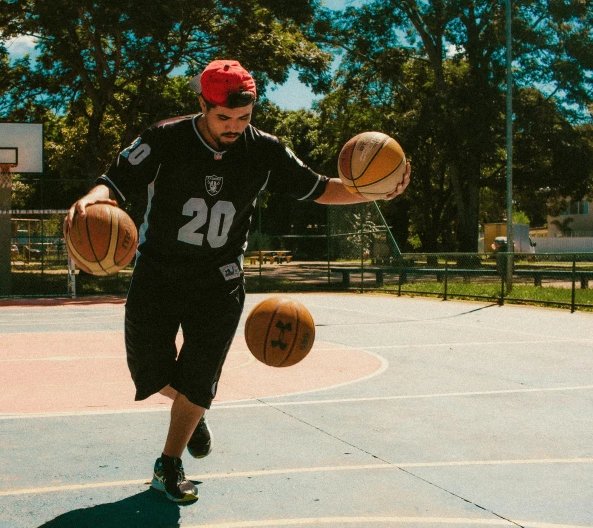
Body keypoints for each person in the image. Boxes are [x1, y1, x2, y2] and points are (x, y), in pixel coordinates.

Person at [66, 59, 410, 503]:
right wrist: (95, 195)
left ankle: (168, 463)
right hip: (159, 273)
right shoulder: (165, 138)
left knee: (199, 373)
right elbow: (115, 180)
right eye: (224, 117)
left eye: (243, 118)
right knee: (150, 372)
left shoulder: (264, 150)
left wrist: (371, 190)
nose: (233, 126)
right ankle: (192, 407)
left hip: (219, 279)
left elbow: (322, 188)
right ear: (203, 106)